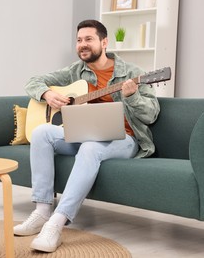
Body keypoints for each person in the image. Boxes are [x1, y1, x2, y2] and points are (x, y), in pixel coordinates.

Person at [13, 19, 160, 253]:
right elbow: (33, 82)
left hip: (124, 139)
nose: (83, 44)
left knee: (91, 147)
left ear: (104, 42)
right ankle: (42, 211)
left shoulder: (133, 73)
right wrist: (48, 94)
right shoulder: (75, 71)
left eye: (88, 39)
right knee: (42, 133)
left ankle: (56, 224)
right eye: (79, 40)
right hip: (83, 134)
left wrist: (132, 97)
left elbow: (151, 115)